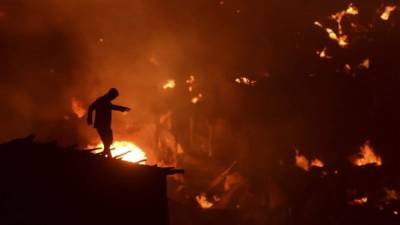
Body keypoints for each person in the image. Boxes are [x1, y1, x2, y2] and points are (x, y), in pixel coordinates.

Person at [87, 88, 130, 158]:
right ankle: (107, 156)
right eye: (114, 97)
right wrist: (89, 118)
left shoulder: (106, 101)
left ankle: (107, 155)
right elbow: (91, 107)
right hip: (101, 125)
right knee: (107, 140)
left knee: (108, 140)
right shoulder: (101, 100)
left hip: (106, 125)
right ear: (111, 94)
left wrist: (123, 108)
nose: (114, 98)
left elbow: (112, 107)